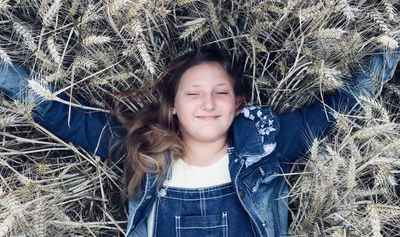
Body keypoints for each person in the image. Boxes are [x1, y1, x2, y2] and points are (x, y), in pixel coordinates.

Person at [1, 47, 399, 237]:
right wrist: (6, 73)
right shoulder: (141, 148)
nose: (208, 104)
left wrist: (388, 53)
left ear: (238, 103)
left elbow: (337, 107)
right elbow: (59, 113)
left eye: (221, 93)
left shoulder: (265, 143)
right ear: (173, 105)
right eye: (193, 94)